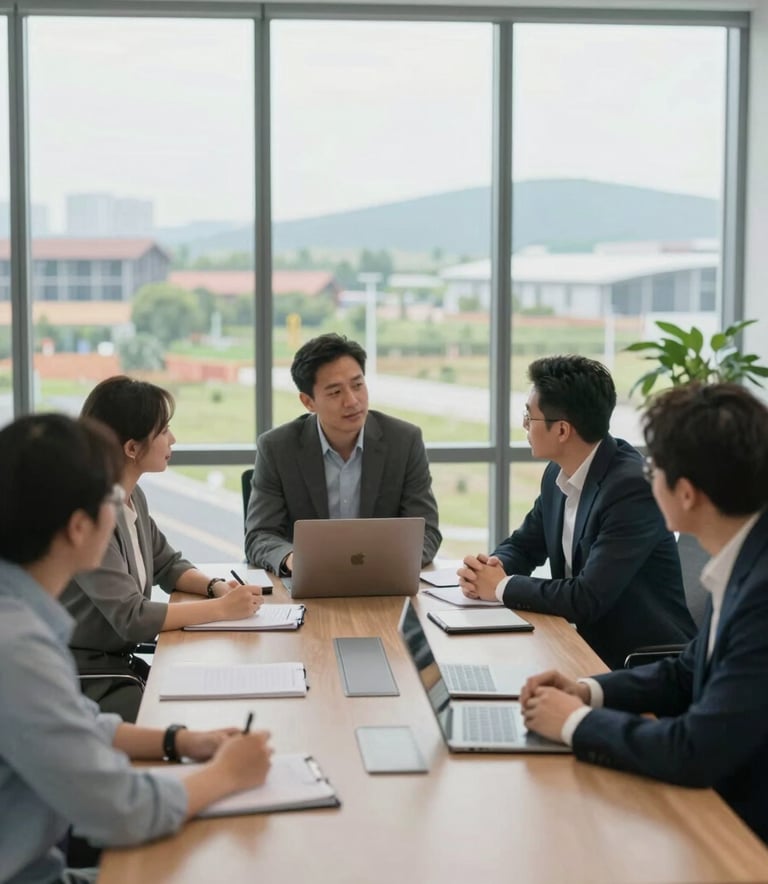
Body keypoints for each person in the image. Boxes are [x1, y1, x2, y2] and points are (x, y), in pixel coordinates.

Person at [0, 413, 273, 884]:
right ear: (79, 528)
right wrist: (226, 774)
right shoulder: (17, 650)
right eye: (110, 497)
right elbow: (122, 811)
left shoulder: (20, 618)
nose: (120, 506)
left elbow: (78, 723)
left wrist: (180, 741)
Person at [520, 383, 768, 844]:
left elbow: (695, 750)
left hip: (742, 833)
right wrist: (586, 690)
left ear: (687, 494)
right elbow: (683, 672)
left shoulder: (760, 593)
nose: (645, 475)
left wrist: (573, 722)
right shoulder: (744, 558)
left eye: (655, 467)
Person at [458, 355, 694, 669]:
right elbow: (524, 545)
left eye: (530, 417)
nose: (525, 425)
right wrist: (488, 569)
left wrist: (500, 586)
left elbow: (587, 598)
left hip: (639, 664)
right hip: (578, 645)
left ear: (563, 431)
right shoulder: (557, 476)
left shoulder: (632, 489)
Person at [61, 376, 264, 722]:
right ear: (131, 448)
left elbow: (167, 563)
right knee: (194, 717)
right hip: (86, 678)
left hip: (119, 666)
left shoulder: (131, 497)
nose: (173, 439)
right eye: (164, 430)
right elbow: (132, 618)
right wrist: (221, 609)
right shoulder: (90, 515)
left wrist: (216, 587)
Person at [245, 333, 441, 573]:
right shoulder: (277, 448)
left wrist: (388, 564)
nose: (352, 401)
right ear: (308, 402)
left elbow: (427, 531)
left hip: (385, 582)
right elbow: (259, 535)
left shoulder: (404, 441)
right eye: (335, 392)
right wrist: (293, 559)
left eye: (358, 385)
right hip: (308, 584)